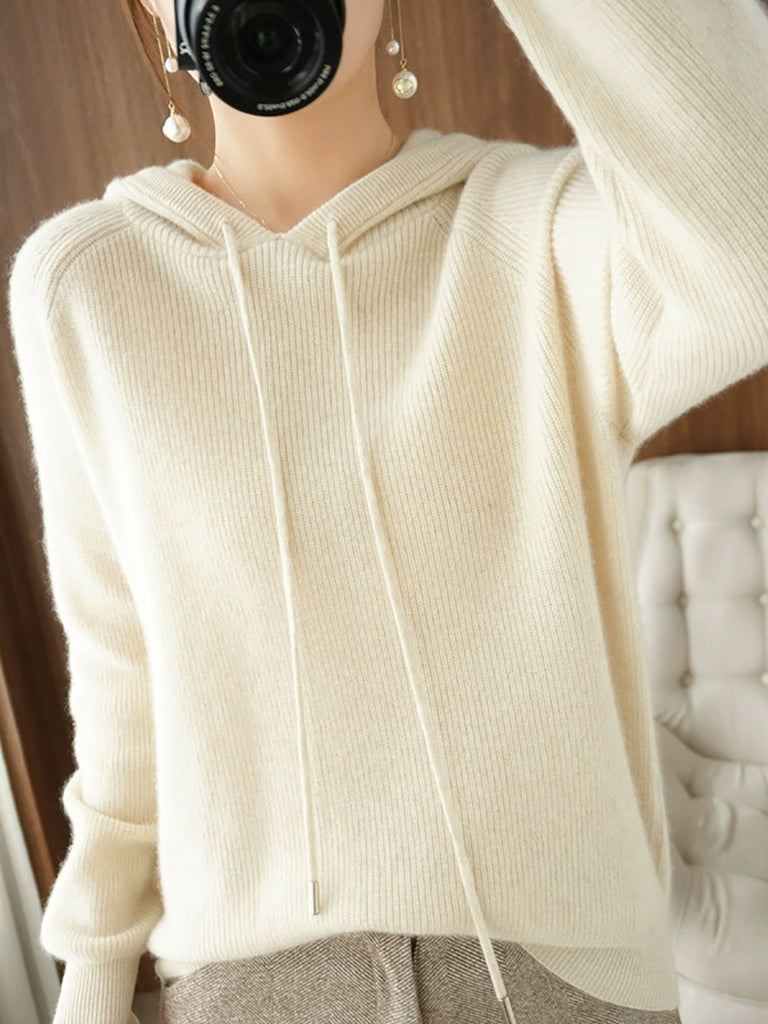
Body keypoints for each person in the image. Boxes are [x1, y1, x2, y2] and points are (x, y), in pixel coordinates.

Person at [6, 0, 768, 1021]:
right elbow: (120, 675)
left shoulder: (544, 234)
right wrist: (93, 983)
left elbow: (747, 243)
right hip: (251, 991)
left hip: (563, 979)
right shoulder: (83, 286)